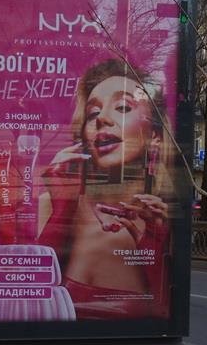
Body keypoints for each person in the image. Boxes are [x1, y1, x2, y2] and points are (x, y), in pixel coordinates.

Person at [38, 58, 173, 320]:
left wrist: (155, 247)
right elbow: (30, 296)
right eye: (92, 113)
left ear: (155, 136)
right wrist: (61, 212)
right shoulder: (52, 203)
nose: (102, 119)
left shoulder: (163, 216)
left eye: (123, 107)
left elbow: (164, 314)